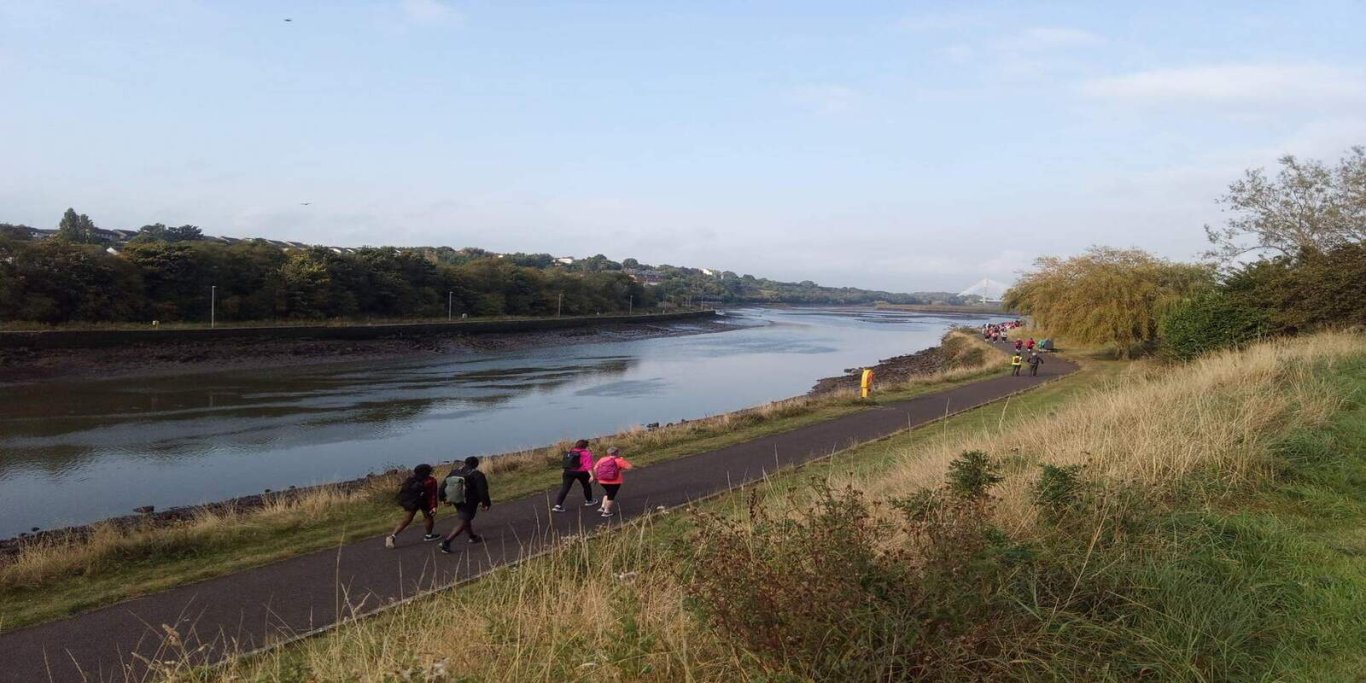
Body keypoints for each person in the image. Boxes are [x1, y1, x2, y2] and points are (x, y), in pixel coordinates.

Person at [440, 456, 491, 552]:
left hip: (456, 499)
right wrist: (486, 503)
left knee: (465, 518)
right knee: (464, 520)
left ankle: (472, 536)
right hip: (469, 501)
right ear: (476, 464)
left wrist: (442, 498)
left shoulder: (455, 472)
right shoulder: (477, 474)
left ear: (465, 463)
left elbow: (443, 485)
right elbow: (483, 491)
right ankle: (446, 542)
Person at [386, 464, 440, 548]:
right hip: (424, 501)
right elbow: (432, 495)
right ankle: (429, 535)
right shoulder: (431, 480)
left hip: (411, 501)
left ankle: (392, 536)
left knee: (407, 520)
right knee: (428, 517)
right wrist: (434, 506)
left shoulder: (411, 479)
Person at [552, 439, 598, 512]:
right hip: (582, 472)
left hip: (568, 472)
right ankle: (589, 501)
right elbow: (588, 466)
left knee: (565, 488)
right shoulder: (586, 453)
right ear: (585, 446)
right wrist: (592, 476)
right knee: (586, 486)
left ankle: (558, 505)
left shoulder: (571, 451)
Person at [591, 447, 634, 518]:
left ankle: (602, 507)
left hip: (602, 480)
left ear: (608, 453)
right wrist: (621, 463)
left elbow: (595, 468)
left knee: (607, 492)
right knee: (611, 496)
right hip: (615, 481)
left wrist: (595, 477)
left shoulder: (602, 459)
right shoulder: (619, 460)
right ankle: (606, 511)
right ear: (617, 453)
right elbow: (630, 467)